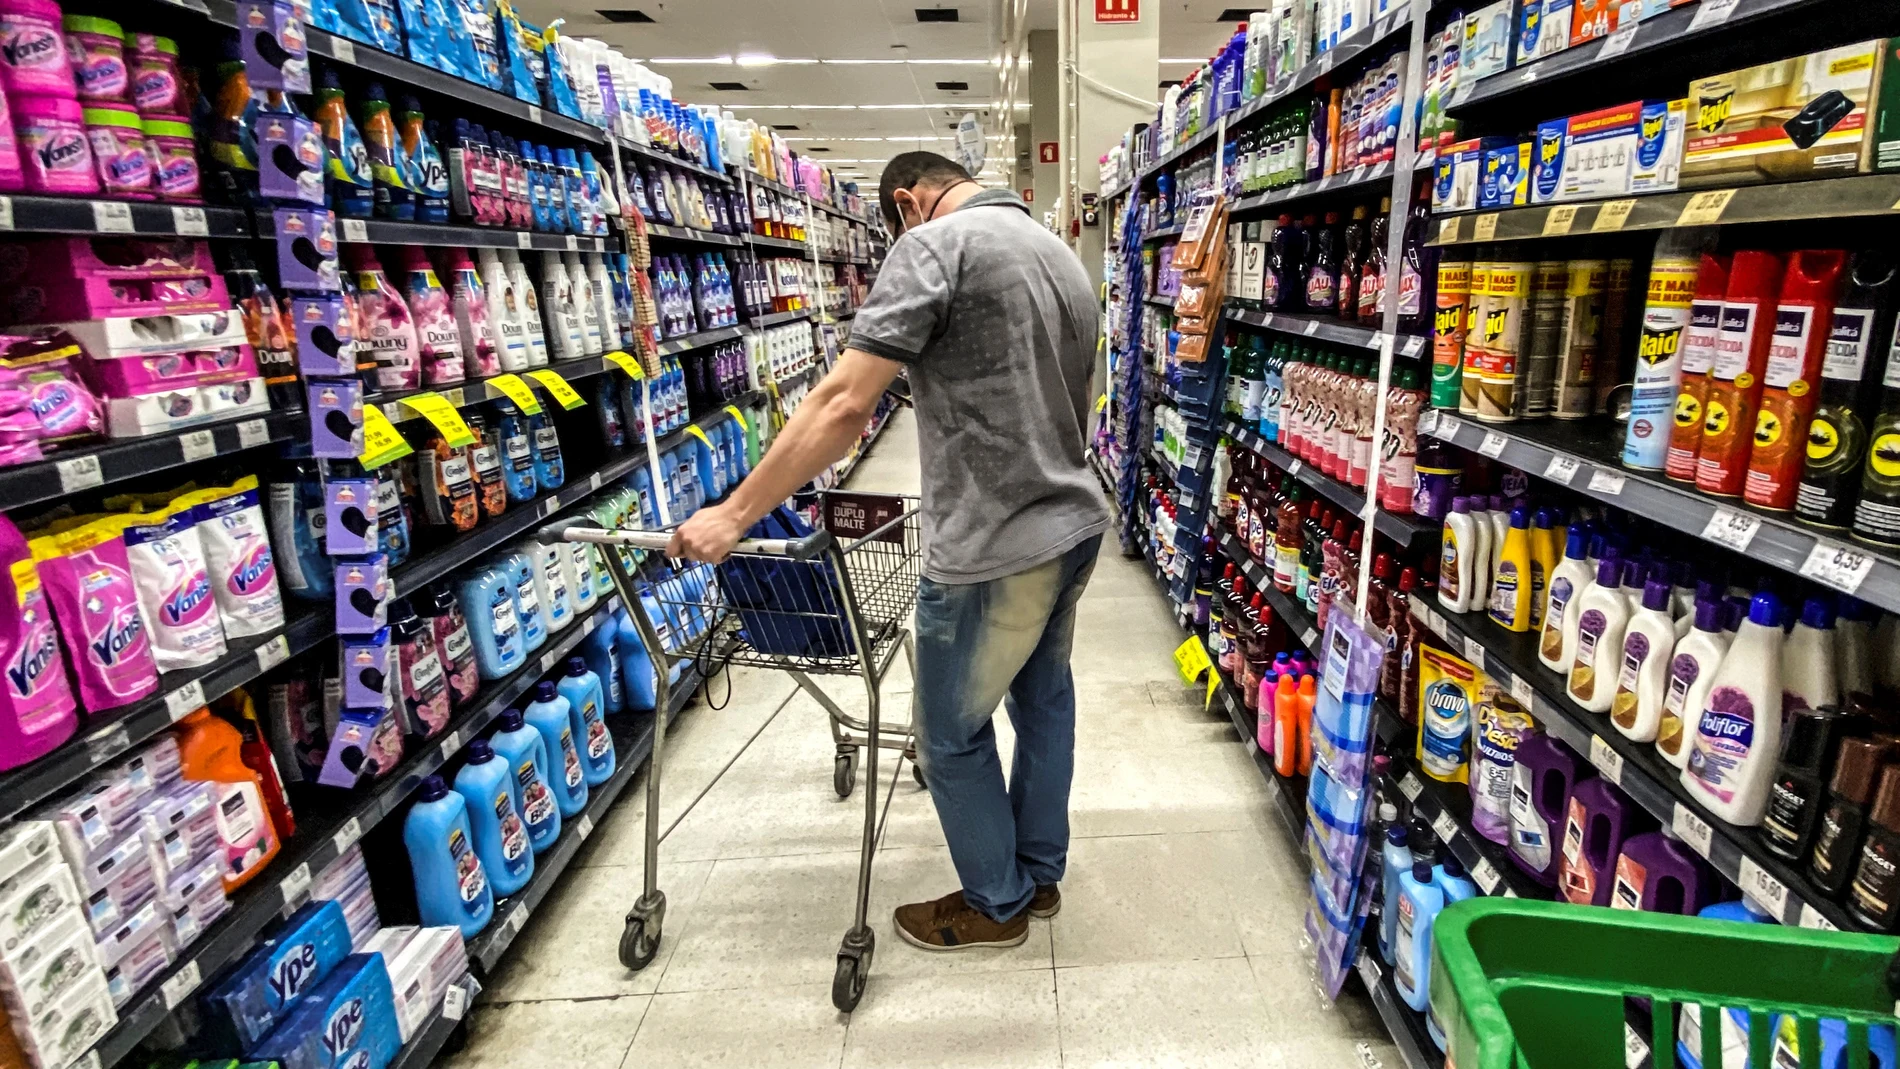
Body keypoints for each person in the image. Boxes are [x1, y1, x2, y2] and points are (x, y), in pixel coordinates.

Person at [666, 151, 1109, 950]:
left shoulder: (932, 246)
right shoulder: (1056, 251)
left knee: (948, 733)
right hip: (1071, 526)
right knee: (1043, 705)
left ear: (908, 203)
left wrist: (735, 513)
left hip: (993, 545)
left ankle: (996, 901)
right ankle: (1039, 874)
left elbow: (842, 402)